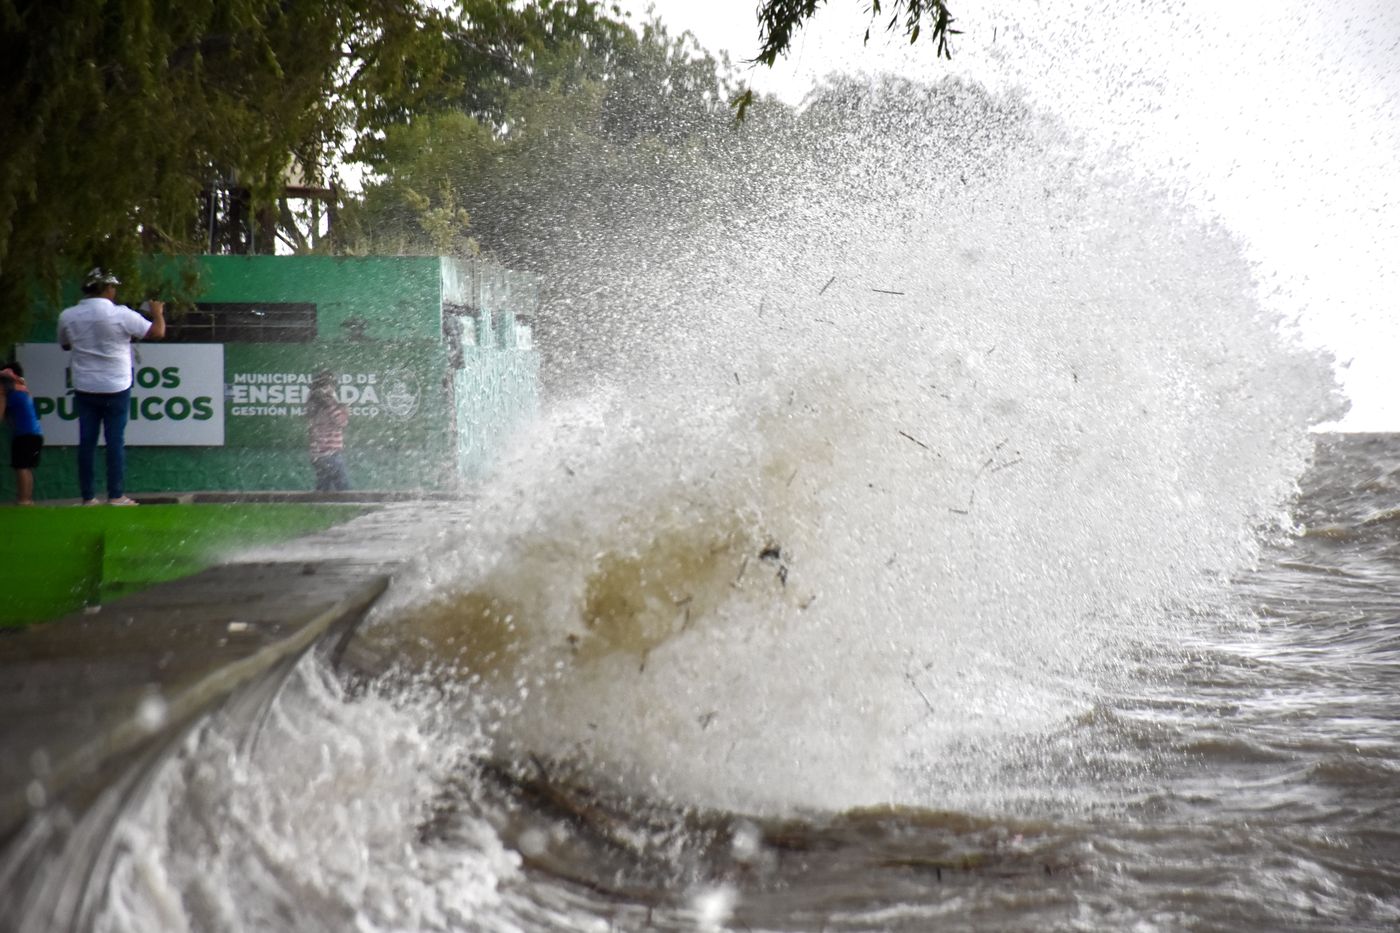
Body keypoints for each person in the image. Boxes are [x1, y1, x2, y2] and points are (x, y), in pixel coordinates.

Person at [56, 267, 164, 505]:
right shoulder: (122, 314)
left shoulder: (68, 315)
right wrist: (157, 313)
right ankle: (116, 496)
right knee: (115, 441)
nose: (115, 290)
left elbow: (65, 345)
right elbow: (157, 332)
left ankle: (88, 497)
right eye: (113, 286)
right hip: (116, 385)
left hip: (85, 386)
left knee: (87, 442)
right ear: (106, 289)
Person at [0, 362, 43, 505]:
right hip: (33, 434)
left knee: (21, 467)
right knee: (25, 467)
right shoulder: (22, 389)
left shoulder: (9, 393)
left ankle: (24, 500)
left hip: (25, 434)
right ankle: (27, 500)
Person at [307, 369, 350, 492]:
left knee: (323, 489)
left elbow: (312, 431)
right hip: (331, 454)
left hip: (318, 454)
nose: (332, 388)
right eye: (329, 385)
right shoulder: (329, 404)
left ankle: (318, 508)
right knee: (344, 490)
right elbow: (342, 422)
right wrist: (341, 408)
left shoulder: (313, 405)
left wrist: (314, 455)